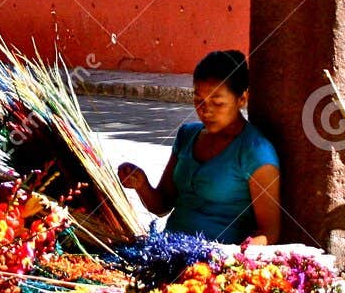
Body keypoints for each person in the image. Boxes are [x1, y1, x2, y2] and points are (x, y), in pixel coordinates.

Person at [117, 49, 282, 244]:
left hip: (217, 260)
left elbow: (269, 232)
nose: (205, 110)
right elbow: (162, 205)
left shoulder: (255, 151)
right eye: (198, 100)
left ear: (242, 99)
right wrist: (142, 185)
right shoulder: (187, 135)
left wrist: (237, 257)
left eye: (217, 103)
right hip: (167, 250)